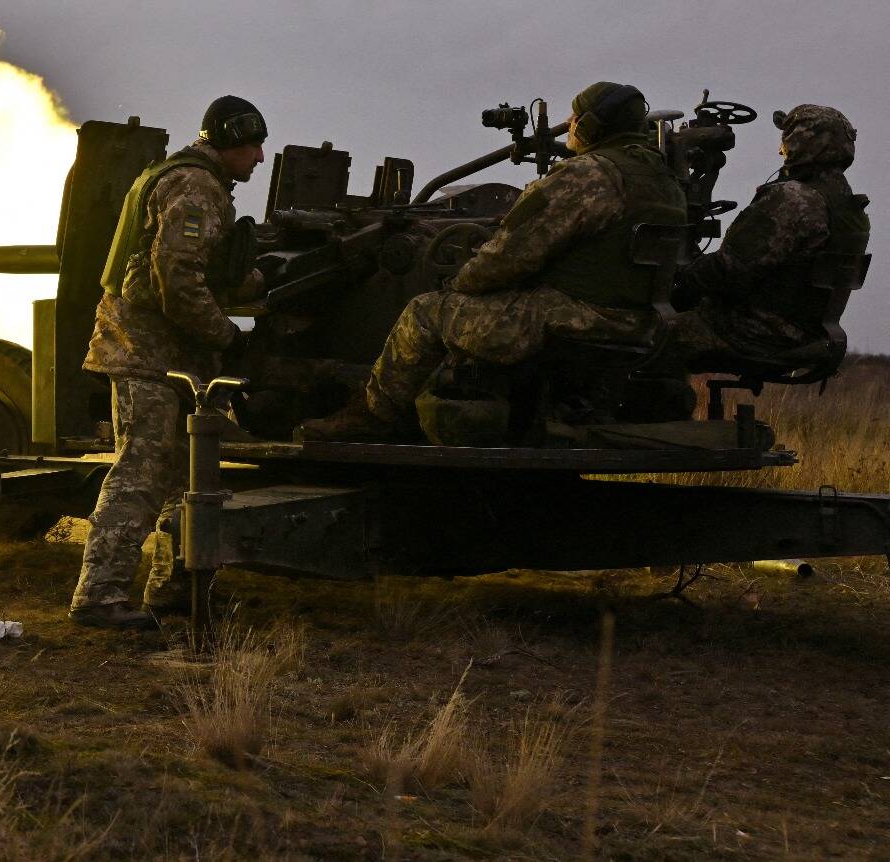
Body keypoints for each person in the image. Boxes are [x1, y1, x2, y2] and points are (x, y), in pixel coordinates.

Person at [302, 81, 686, 443]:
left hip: (575, 320)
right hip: (639, 327)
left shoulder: (585, 175)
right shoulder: (666, 183)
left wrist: (460, 283)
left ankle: (371, 419)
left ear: (588, 126)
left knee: (426, 312)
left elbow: (508, 256)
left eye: (574, 118)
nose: (569, 126)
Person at [69, 95, 267, 630]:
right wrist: (229, 336)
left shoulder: (193, 181)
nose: (260, 158)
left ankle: (174, 588)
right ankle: (100, 596)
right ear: (227, 142)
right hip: (146, 353)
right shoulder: (195, 186)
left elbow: (200, 269)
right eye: (252, 146)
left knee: (184, 478)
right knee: (141, 472)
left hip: (167, 356)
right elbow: (177, 282)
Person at [671, 104, 869, 365]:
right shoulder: (850, 207)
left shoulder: (793, 198)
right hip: (807, 334)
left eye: (786, 140)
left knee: (646, 334)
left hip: (754, 332)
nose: (781, 150)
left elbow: (728, 270)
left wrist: (677, 282)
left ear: (801, 142)